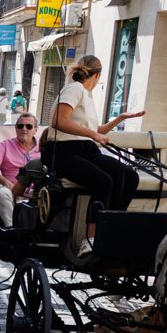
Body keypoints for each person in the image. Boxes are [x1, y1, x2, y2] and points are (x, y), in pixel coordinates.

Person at [47, 55, 144, 256]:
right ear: (98, 75)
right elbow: (58, 120)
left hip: (85, 150)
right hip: (62, 151)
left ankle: (110, 229)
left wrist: (120, 119)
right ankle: (90, 240)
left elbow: (93, 129)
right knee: (104, 181)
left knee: (130, 176)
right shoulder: (75, 89)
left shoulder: (87, 96)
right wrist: (94, 134)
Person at [0, 115, 41, 230]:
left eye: (28, 126)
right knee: (2, 194)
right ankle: (13, 230)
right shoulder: (6, 145)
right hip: (10, 188)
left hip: (36, 192)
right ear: (16, 128)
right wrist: (6, 182)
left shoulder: (42, 148)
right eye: (20, 126)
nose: (24, 129)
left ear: (35, 130)